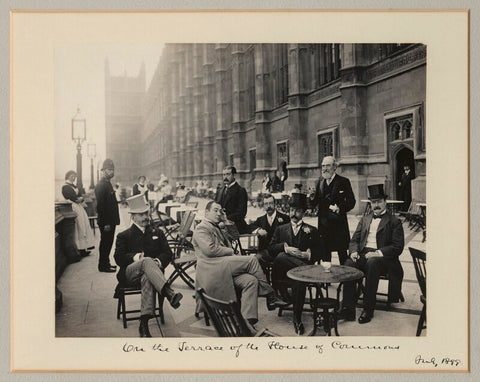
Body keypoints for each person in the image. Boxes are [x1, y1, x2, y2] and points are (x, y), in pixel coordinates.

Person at [192, 201, 288, 327]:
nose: (218, 213)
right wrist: (231, 251)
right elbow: (210, 251)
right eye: (215, 210)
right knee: (252, 260)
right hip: (211, 267)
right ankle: (270, 295)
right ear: (206, 212)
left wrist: (226, 221)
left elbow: (235, 236)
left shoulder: (218, 226)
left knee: (251, 280)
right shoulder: (202, 228)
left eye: (220, 211)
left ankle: (247, 321)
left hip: (222, 265)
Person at [114, 194, 183, 337]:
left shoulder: (157, 232)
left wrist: (157, 262)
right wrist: (137, 258)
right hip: (130, 274)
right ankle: (168, 292)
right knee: (146, 261)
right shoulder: (124, 235)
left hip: (151, 275)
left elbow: (167, 253)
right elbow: (118, 259)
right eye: (141, 214)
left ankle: (144, 324)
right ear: (133, 217)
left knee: (148, 277)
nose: (146, 217)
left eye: (147, 213)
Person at [339, 184, 405, 324]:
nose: (376, 205)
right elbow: (354, 240)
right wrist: (354, 251)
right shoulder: (365, 219)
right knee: (349, 264)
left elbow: (398, 247)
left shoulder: (395, 221)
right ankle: (348, 309)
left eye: (379, 201)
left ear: (385, 202)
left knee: (372, 263)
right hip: (363, 253)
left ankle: (368, 309)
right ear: (370, 203)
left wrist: (378, 253)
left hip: (384, 258)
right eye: (373, 202)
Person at [269, 193, 325, 335]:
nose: (294, 214)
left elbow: (320, 251)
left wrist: (308, 254)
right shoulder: (280, 230)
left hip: (299, 278)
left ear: (304, 213)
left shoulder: (312, 230)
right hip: (283, 275)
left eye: (298, 210)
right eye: (292, 210)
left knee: (299, 281)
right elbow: (270, 249)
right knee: (281, 255)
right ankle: (303, 270)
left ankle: (297, 319)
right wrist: (285, 248)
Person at [310, 156, 356, 265]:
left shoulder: (343, 181)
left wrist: (340, 208)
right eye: (323, 166)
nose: (324, 168)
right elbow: (314, 203)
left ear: (334, 167)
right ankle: (327, 280)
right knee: (325, 253)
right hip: (323, 225)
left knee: (342, 254)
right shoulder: (319, 182)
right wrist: (311, 197)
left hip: (339, 225)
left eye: (327, 165)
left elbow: (352, 202)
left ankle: (346, 279)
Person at [248, 194, 290, 273]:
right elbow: (249, 227)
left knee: (282, 261)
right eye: (266, 204)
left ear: (275, 204)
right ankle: (264, 281)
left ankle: (279, 284)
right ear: (263, 206)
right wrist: (258, 230)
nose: (268, 206)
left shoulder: (285, 218)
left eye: (270, 203)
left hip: (280, 252)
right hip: (265, 252)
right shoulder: (260, 220)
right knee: (257, 259)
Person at [94, 158, 120, 273]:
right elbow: (101, 206)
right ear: (103, 171)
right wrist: (106, 223)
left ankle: (106, 263)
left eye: (112, 169)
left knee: (108, 243)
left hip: (110, 220)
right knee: (105, 243)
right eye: (109, 170)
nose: (112, 172)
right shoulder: (101, 185)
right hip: (107, 222)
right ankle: (103, 266)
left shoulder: (107, 183)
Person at [62, 170, 95, 257]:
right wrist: (78, 199)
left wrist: (80, 199)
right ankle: (79, 249)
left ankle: (84, 248)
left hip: (79, 207)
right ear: (68, 176)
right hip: (73, 207)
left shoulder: (74, 186)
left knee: (84, 225)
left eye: (74, 176)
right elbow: (72, 197)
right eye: (72, 176)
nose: (73, 177)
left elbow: (80, 195)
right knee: (78, 226)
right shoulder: (65, 187)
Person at [215, 166, 249, 234]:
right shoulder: (220, 190)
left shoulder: (240, 191)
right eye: (224, 174)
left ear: (234, 175)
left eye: (228, 174)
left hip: (235, 226)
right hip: (221, 225)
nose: (225, 177)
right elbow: (215, 206)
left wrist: (225, 220)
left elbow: (241, 213)